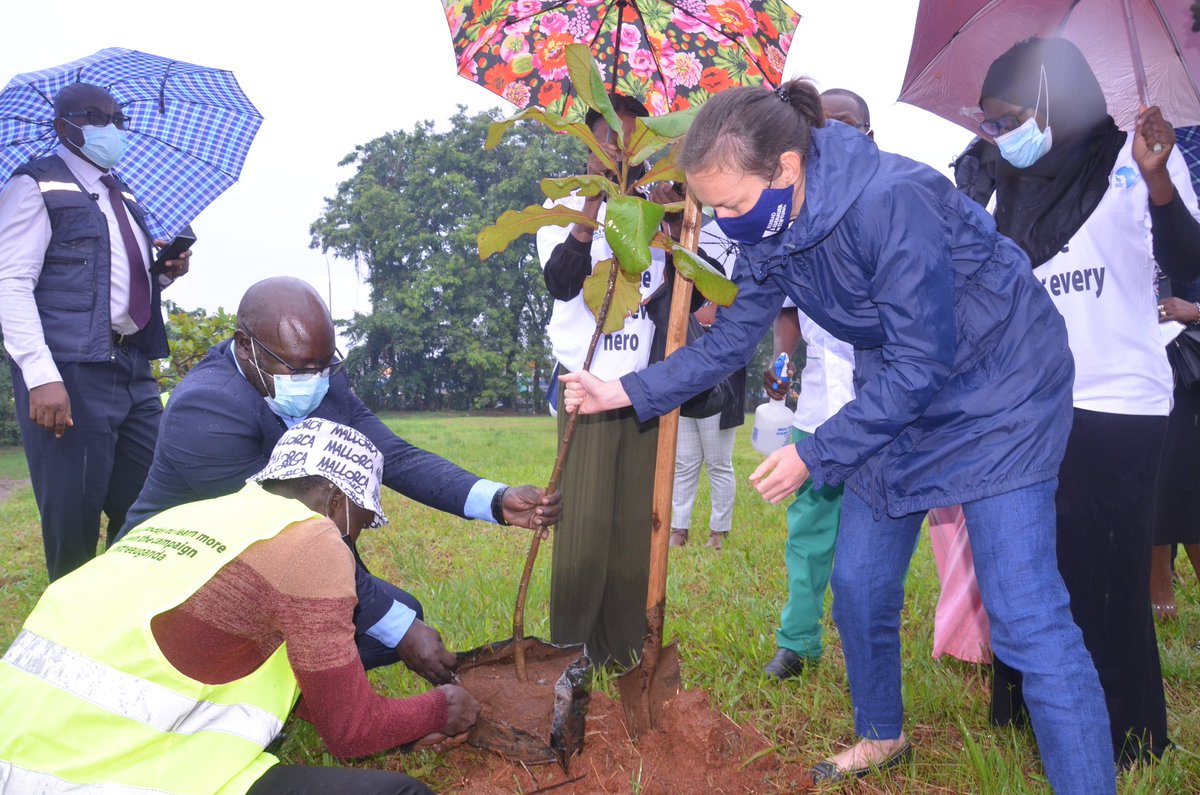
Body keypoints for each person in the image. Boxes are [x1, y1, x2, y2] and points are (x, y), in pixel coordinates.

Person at [561, 78, 1115, 793]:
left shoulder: (892, 199)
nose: (724, 222)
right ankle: (883, 731)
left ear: (787, 167)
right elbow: (733, 336)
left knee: (1025, 615)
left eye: (732, 202)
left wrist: (815, 451)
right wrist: (626, 389)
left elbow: (926, 358)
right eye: (713, 206)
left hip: (999, 393)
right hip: (897, 393)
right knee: (858, 581)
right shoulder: (768, 225)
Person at [120, 276, 561, 684]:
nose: (312, 381)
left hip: (264, 556)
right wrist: (399, 629)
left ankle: (281, 678)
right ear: (245, 346)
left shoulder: (320, 379)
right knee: (385, 622)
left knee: (396, 614)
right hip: (180, 575)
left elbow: (395, 457)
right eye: (297, 368)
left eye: (322, 365)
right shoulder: (207, 409)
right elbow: (279, 538)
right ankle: (231, 681)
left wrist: (495, 500)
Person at [0, 419, 478, 794]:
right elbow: (350, 732)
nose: (352, 540)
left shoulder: (194, 514)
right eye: (361, 521)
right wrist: (438, 709)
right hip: (90, 777)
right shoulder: (312, 538)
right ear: (337, 500)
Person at [978, 37, 1200, 767]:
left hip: (1120, 399)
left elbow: (1191, 268)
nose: (1005, 135)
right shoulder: (1008, 185)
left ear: (1053, 99)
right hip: (1033, 401)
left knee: (1106, 576)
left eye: (1013, 117)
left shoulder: (1137, 159)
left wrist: (1160, 180)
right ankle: (1029, 711)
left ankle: (1129, 736)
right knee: (1033, 568)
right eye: (993, 124)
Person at [0, 82, 192, 581]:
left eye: (117, 119)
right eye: (96, 116)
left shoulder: (121, 193)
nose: (112, 128)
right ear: (65, 125)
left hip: (132, 368)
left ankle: (120, 613)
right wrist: (41, 376)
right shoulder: (35, 184)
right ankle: (65, 640)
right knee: (73, 517)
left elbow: (109, 284)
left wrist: (164, 272)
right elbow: (11, 284)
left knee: (149, 505)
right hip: (71, 371)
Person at [538, 94, 695, 667]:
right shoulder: (562, 208)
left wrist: (676, 222)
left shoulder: (656, 216)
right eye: (608, 141)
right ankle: (571, 652)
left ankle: (626, 649)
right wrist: (588, 214)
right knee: (584, 524)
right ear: (587, 148)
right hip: (585, 387)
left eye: (632, 142)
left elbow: (693, 298)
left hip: (641, 392)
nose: (618, 152)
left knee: (634, 524)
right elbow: (560, 283)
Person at [759, 88, 866, 681]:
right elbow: (786, 309)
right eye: (817, 128)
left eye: (842, 125)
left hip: (882, 410)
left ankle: (867, 641)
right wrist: (782, 359)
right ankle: (797, 641)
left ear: (866, 136)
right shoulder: (793, 218)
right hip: (820, 407)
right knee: (808, 534)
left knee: (872, 545)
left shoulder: (884, 203)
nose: (827, 138)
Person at [669, 220, 746, 552]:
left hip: (721, 384)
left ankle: (719, 530)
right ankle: (678, 528)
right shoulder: (685, 279)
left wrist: (718, 314)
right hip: (686, 380)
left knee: (717, 461)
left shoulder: (741, 288)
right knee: (684, 461)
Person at [1151, 281, 1200, 620]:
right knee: (1152, 485)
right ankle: (1160, 598)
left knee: (1190, 488)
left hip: (1191, 374)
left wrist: (1196, 310)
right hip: (1142, 371)